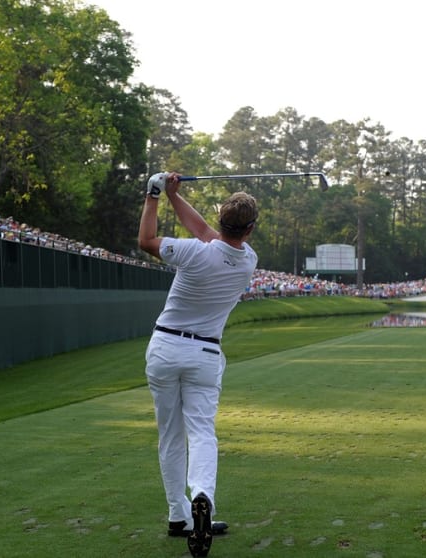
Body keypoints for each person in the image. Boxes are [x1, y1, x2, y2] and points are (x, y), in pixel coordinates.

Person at [138, 172, 259, 557]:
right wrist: (174, 196)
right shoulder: (247, 262)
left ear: (221, 221)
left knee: (170, 435)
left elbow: (146, 241)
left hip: (165, 347)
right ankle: (201, 497)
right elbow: (208, 231)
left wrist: (154, 195)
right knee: (202, 433)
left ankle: (179, 515)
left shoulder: (192, 252)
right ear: (250, 229)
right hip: (205, 355)